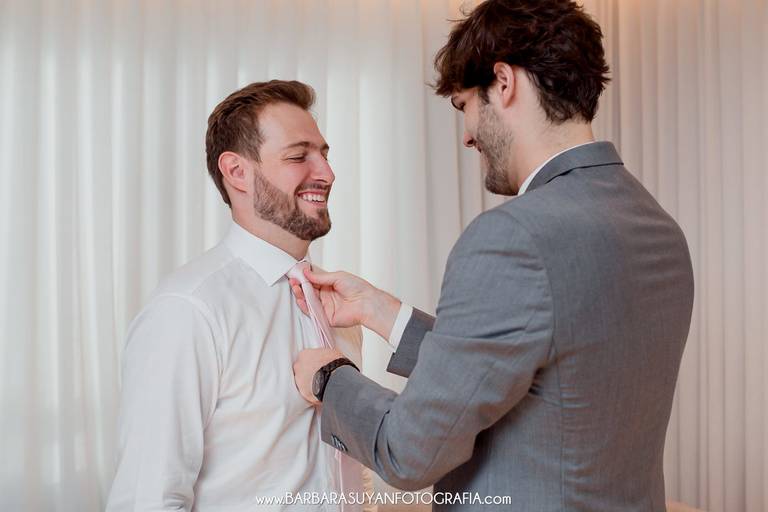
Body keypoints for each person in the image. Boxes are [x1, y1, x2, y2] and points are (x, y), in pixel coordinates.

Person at [292, 1, 694, 510]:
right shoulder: (659, 228)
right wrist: (381, 312)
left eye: (464, 105)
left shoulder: (512, 236)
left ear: (503, 83)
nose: (466, 135)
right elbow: (541, 367)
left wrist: (331, 377)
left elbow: (409, 452)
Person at [107, 80, 372, 511]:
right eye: (298, 156)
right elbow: (147, 499)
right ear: (237, 171)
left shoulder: (340, 306)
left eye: (324, 154)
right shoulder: (188, 312)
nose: (327, 173)